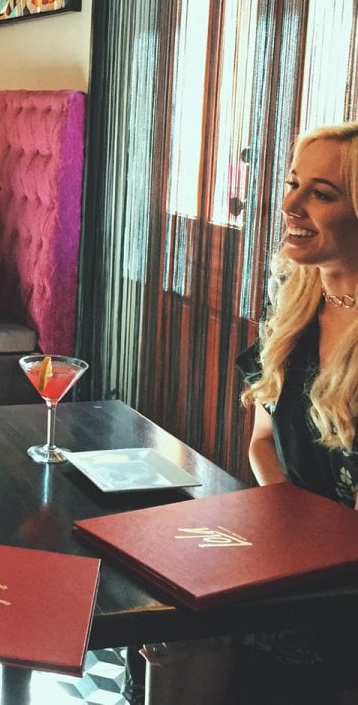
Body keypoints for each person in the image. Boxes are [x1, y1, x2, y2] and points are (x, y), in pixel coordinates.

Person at [139, 121, 358, 705]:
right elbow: (263, 441)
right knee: (168, 626)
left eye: (322, 193)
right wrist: (282, 534)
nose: (289, 204)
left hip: (342, 591)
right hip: (296, 550)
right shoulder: (291, 298)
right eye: (292, 184)